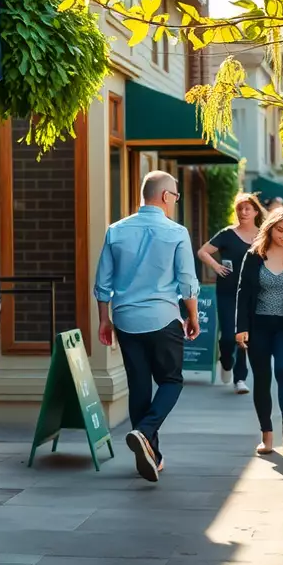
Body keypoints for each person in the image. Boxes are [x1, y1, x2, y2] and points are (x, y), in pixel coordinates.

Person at [94, 171, 200, 483]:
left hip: (126, 319)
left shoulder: (116, 230)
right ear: (166, 196)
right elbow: (187, 282)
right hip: (162, 318)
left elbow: (103, 283)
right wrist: (192, 316)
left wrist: (104, 319)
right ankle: (144, 431)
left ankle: (152, 453)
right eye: (176, 196)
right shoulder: (177, 232)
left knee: (139, 385)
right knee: (171, 381)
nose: (176, 201)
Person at [235, 206, 283, 455]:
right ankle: (266, 435)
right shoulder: (254, 256)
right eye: (280, 230)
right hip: (258, 327)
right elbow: (243, 294)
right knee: (262, 379)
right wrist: (241, 328)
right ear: (270, 228)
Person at [197, 192, 265, 394]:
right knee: (228, 337)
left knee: (243, 336)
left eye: (247, 209)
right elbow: (203, 252)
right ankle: (226, 360)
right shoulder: (227, 234)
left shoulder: (263, 236)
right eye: (240, 209)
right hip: (227, 292)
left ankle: (240, 379)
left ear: (255, 211)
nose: (243, 212)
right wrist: (216, 267)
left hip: (252, 294)